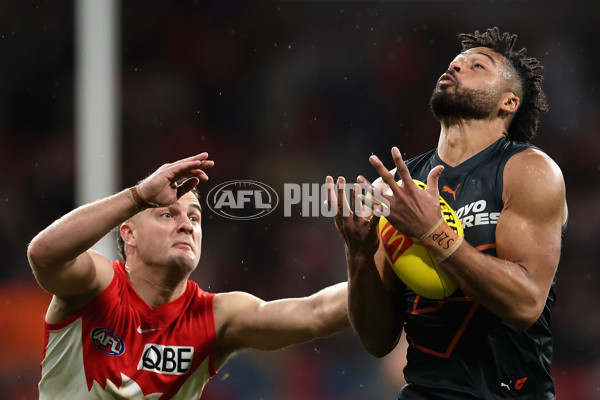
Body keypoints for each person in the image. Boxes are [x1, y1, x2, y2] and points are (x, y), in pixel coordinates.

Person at [327, 27, 567, 399]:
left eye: (477, 65)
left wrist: (434, 232)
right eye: (455, 62)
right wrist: (357, 254)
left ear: (508, 102)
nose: (456, 65)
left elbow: (526, 303)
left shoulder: (530, 171)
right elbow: (377, 340)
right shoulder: (393, 189)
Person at [27, 153, 349, 399]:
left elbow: (315, 313)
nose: (186, 225)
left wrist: (370, 261)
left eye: (194, 217)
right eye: (167, 214)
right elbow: (43, 253)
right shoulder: (96, 286)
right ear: (129, 235)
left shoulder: (216, 317)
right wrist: (138, 196)